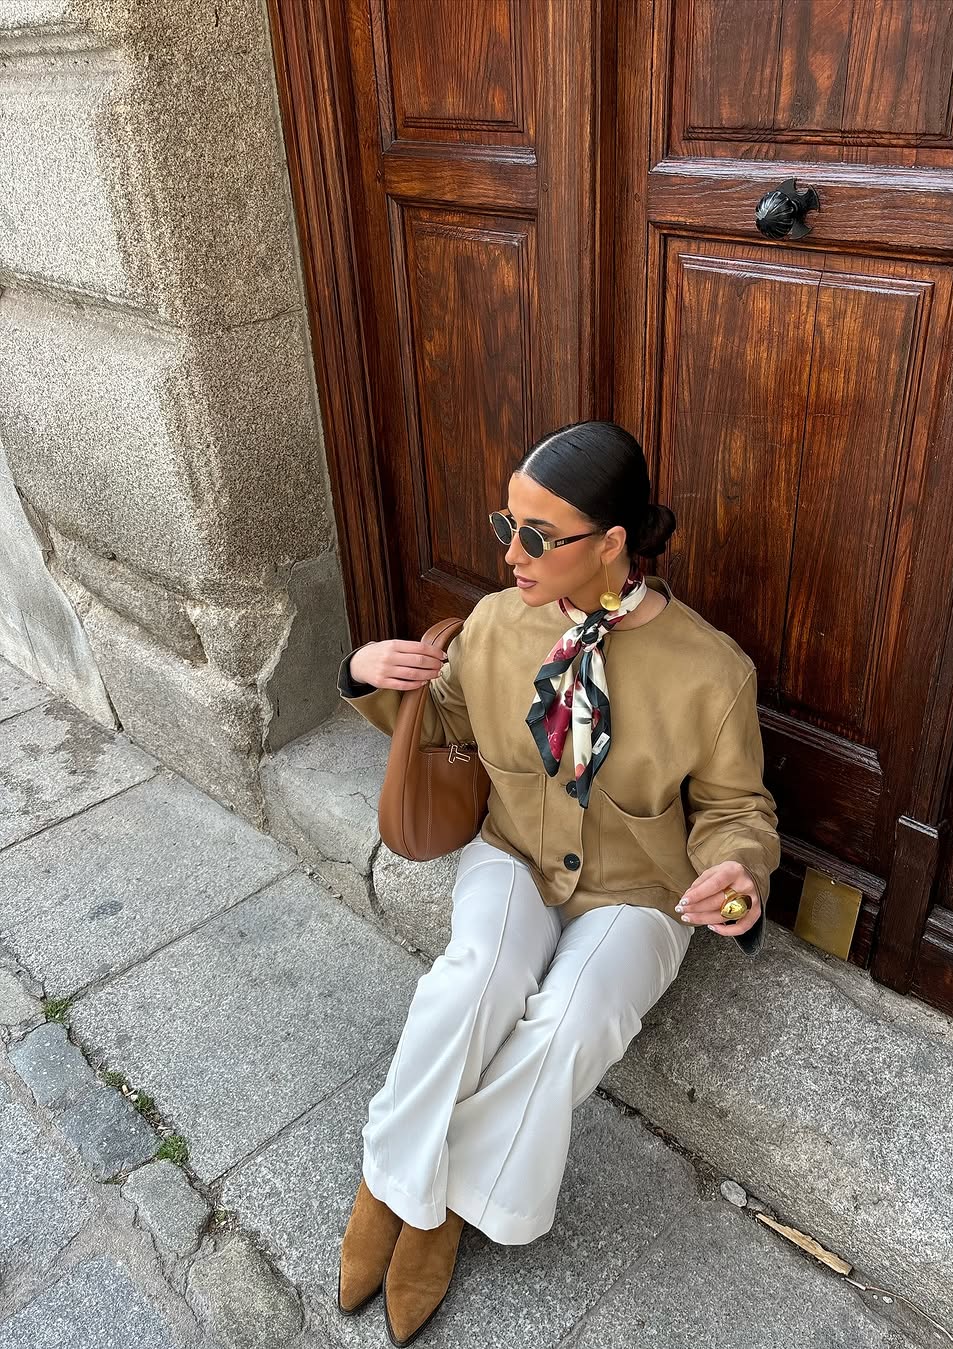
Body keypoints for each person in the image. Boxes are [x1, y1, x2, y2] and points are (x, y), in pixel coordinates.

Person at [334, 420, 781, 1346]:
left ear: (612, 542)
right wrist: (368, 673)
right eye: (509, 525)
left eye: (538, 536)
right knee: (474, 979)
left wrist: (737, 877)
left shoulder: (712, 671)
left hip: (640, 889)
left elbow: (737, 808)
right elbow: (442, 721)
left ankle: (454, 1201)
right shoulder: (499, 624)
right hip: (513, 850)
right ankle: (392, 1181)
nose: (511, 554)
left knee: (575, 1017)